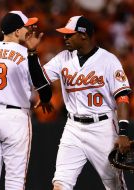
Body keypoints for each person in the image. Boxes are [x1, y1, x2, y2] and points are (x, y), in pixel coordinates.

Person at [26, 15, 132, 190]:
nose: (65, 38)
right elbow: (39, 80)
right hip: (73, 128)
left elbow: (122, 96)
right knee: (60, 183)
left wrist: (123, 132)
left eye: (69, 35)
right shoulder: (63, 58)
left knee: (115, 186)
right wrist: (32, 54)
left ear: (83, 35)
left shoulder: (108, 60)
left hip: (103, 128)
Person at [0, 11, 52, 190]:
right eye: (26, 26)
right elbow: (43, 89)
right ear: (17, 32)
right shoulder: (25, 53)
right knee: (15, 181)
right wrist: (46, 99)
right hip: (15, 118)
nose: (30, 29)